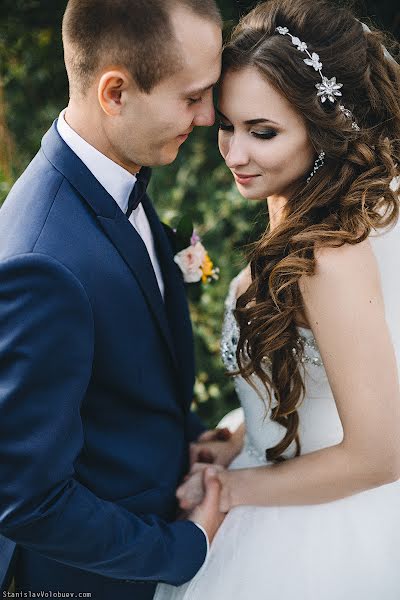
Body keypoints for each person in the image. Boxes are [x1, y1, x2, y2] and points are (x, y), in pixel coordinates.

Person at [154, 0, 400, 598]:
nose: (235, 155)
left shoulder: (331, 258)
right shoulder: (297, 222)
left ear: (323, 130)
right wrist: (241, 433)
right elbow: (321, 390)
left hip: (320, 535)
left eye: (263, 132)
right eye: (228, 127)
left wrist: (232, 490)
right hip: (273, 475)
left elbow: (381, 453)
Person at [0, 1, 225, 598]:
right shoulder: (41, 258)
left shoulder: (114, 176)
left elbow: (120, 375)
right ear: (115, 93)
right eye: (192, 97)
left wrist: (190, 438)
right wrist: (182, 548)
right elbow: (27, 499)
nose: (207, 118)